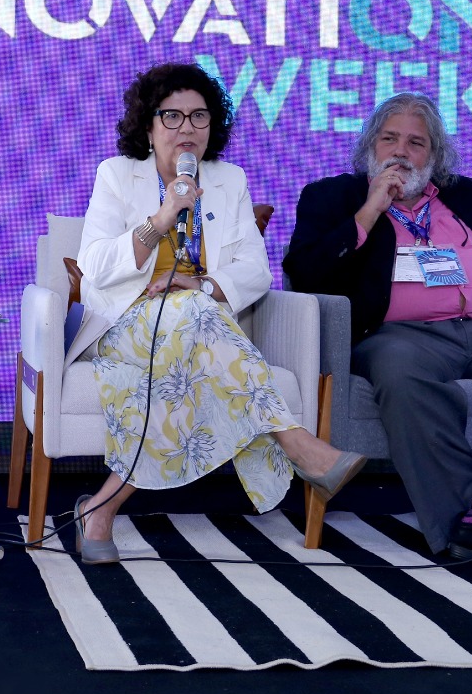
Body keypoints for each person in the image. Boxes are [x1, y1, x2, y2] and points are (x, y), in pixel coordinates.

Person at [283, 92, 472, 576]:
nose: (401, 152)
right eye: (389, 139)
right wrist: (369, 211)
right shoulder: (334, 197)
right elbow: (305, 272)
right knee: (400, 371)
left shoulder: (469, 196)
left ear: (435, 156)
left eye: (416, 143)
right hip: (402, 336)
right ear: (369, 146)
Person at [68, 63, 365, 563]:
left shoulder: (229, 180)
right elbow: (94, 264)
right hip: (123, 324)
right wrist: (163, 216)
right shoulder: (117, 174)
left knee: (189, 326)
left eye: (199, 116)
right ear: (148, 126)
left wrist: (202, 284)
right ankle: (297, 443)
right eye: (172, 116)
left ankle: (99, 510)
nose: (187, 127)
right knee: (196, 316)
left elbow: (255, 270)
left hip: (196, 325)